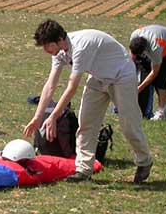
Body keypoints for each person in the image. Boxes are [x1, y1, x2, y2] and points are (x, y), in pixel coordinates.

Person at [23, 20, 152, 183]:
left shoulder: (80, 47)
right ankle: (84, 170)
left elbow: (71, 88)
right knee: (86, 124)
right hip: (98, 78)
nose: (45, 50)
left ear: (59, 40)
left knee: (129, 125)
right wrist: (37, 117)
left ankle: (144, 161)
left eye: (46, 45)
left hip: (122, 76)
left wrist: (54, 116)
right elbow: (50, 85)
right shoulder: (59, 52)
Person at [129, 25, 166, 121]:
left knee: (161, 81)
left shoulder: (155, 48)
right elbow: (132, 55)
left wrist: (139, 89)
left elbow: (154, 72)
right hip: (158, 37)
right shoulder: (135, 35)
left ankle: (161, 112)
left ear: (145, 50)